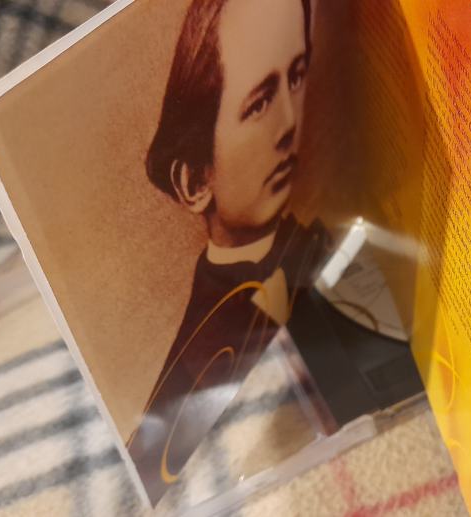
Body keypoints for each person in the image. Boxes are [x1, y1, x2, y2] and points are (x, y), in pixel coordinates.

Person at [126, 0, 329, 503]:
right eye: (258, 104)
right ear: (195, 180)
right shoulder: (191, 370)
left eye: (297, 77)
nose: (289, 123)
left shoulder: (328, 245)